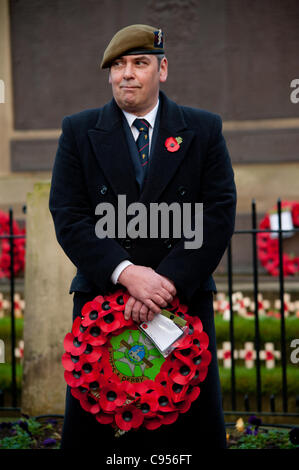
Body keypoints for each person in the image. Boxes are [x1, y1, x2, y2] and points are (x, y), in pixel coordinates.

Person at [49, 24, 237, 452]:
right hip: (103, 295)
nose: (126, 74)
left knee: (184, 434)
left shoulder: (203, 129)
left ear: (162, 69)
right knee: (103, 432)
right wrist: (128, 273)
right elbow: (69, 214)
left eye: (139, 63)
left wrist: (163, 282)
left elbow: (218, 212)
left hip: (181, 298)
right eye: (117, 65)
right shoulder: (78, 132)